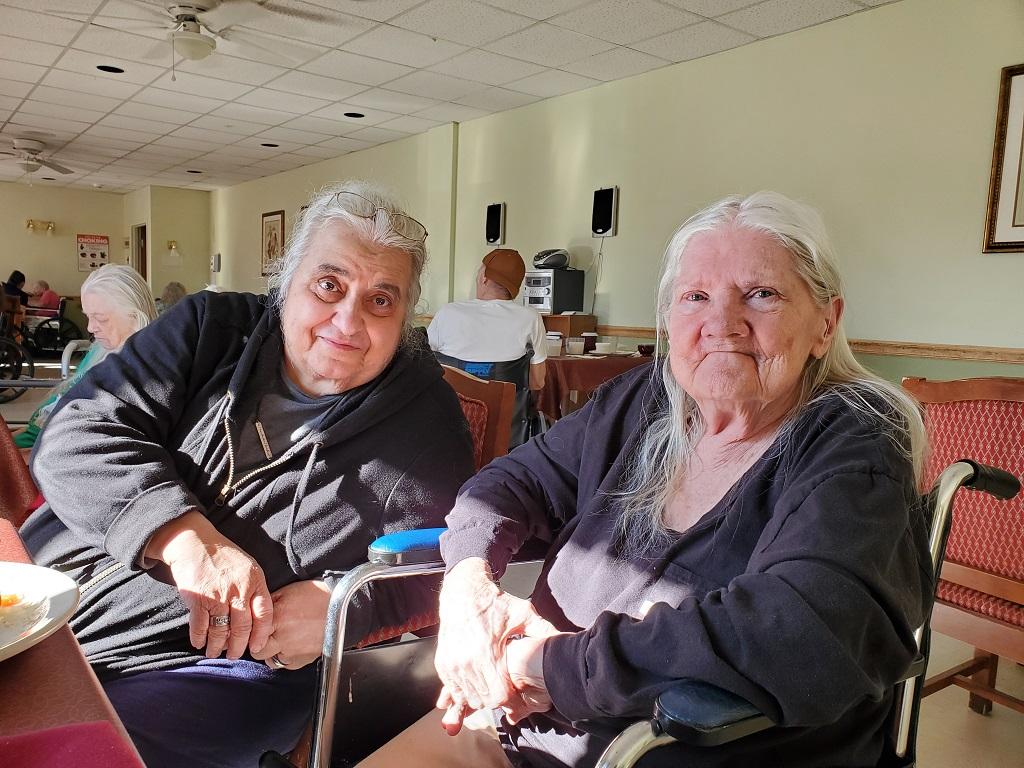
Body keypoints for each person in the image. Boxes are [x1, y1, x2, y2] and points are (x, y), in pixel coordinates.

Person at [360, 192, 932, 768]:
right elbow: (507, 482)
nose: (722, 324)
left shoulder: (852, 441)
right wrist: (468, 592)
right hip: (520, 724)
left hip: (651, 750)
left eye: (762, 294)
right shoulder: (644, 400)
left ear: (824, 324)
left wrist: (546, 665)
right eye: (696, 297)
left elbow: (804, 630)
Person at [22, 181, 475, 768]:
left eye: (381, 300)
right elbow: (73, 434)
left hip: (212, 667)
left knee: (69, 753)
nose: (347, 320)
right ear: (286, 282)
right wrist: (183, 537)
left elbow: (448, 565)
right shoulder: (207, 327)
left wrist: (342, 606)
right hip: (41, 589)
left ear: (406, 317)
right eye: (328, 285)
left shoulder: (426, 426)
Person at [12, 265, 157, 452]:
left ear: (135, 315)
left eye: (101, 318)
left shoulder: (141, 370)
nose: (90, 328)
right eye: (88, 317)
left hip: (55, 452)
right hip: (42, 436)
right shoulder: (100, 349)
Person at [427, 248, 547, 392]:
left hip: (450, 411)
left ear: (484, 277)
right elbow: (537, 383)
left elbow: (423, 367)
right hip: (507, 412)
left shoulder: (448, 312)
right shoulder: (531, 317)